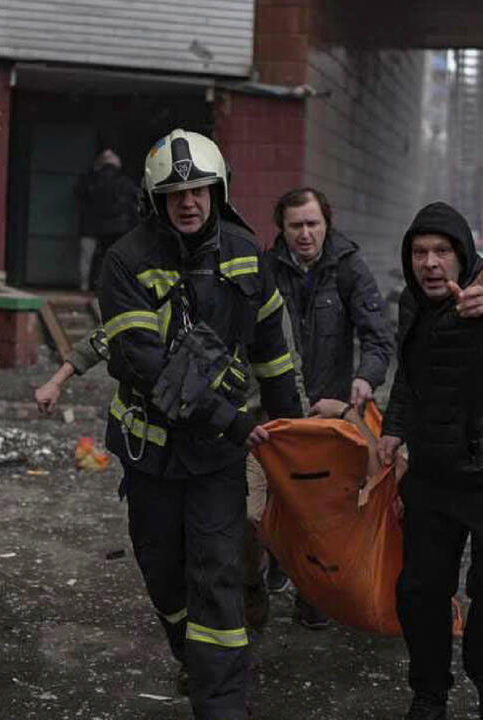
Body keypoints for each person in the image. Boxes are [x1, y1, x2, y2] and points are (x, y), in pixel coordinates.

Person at [97, 128, 302, 720]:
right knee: (164, 575)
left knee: (217, 576)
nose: (188, 202)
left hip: (215, 459)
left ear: (219, 191)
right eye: (175, 193)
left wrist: (293, 432)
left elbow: (273, 353)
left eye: (199, 190)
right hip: (152, 455)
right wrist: (232, 420)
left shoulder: (246, 252)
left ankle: (222, 703)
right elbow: (147, 366)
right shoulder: (125, 261)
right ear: (155, 200)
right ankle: (197, 657)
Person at [379, 201, 483, 720]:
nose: (430, 264)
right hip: (434, 472)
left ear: (462, 255)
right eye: (419, 253)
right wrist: (393, 429)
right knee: (420, 591)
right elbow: (409, 374)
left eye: (441, 252)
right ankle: (429, 692)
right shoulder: (412, 301)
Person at [261, 186, 394, 628]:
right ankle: (277, 559)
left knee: (324, 505)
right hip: (278, 405)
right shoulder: (266, 269)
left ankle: (314, 594)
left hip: (330, 409)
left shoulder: (349, 268)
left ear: (327, 223)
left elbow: (378, 336)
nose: (305, 234)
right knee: (274, 495)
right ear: (282, 229)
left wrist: (365, 377)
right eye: (295, 225)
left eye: (312, 224)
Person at [76, 148, 140, 292]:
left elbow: (80, 196)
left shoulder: (91, 181)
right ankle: (115, 288)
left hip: (93, 227)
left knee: (93, 258)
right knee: (118, 258)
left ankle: (87, 287)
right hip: (119, 227)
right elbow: (137, 198)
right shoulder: (124, 182)